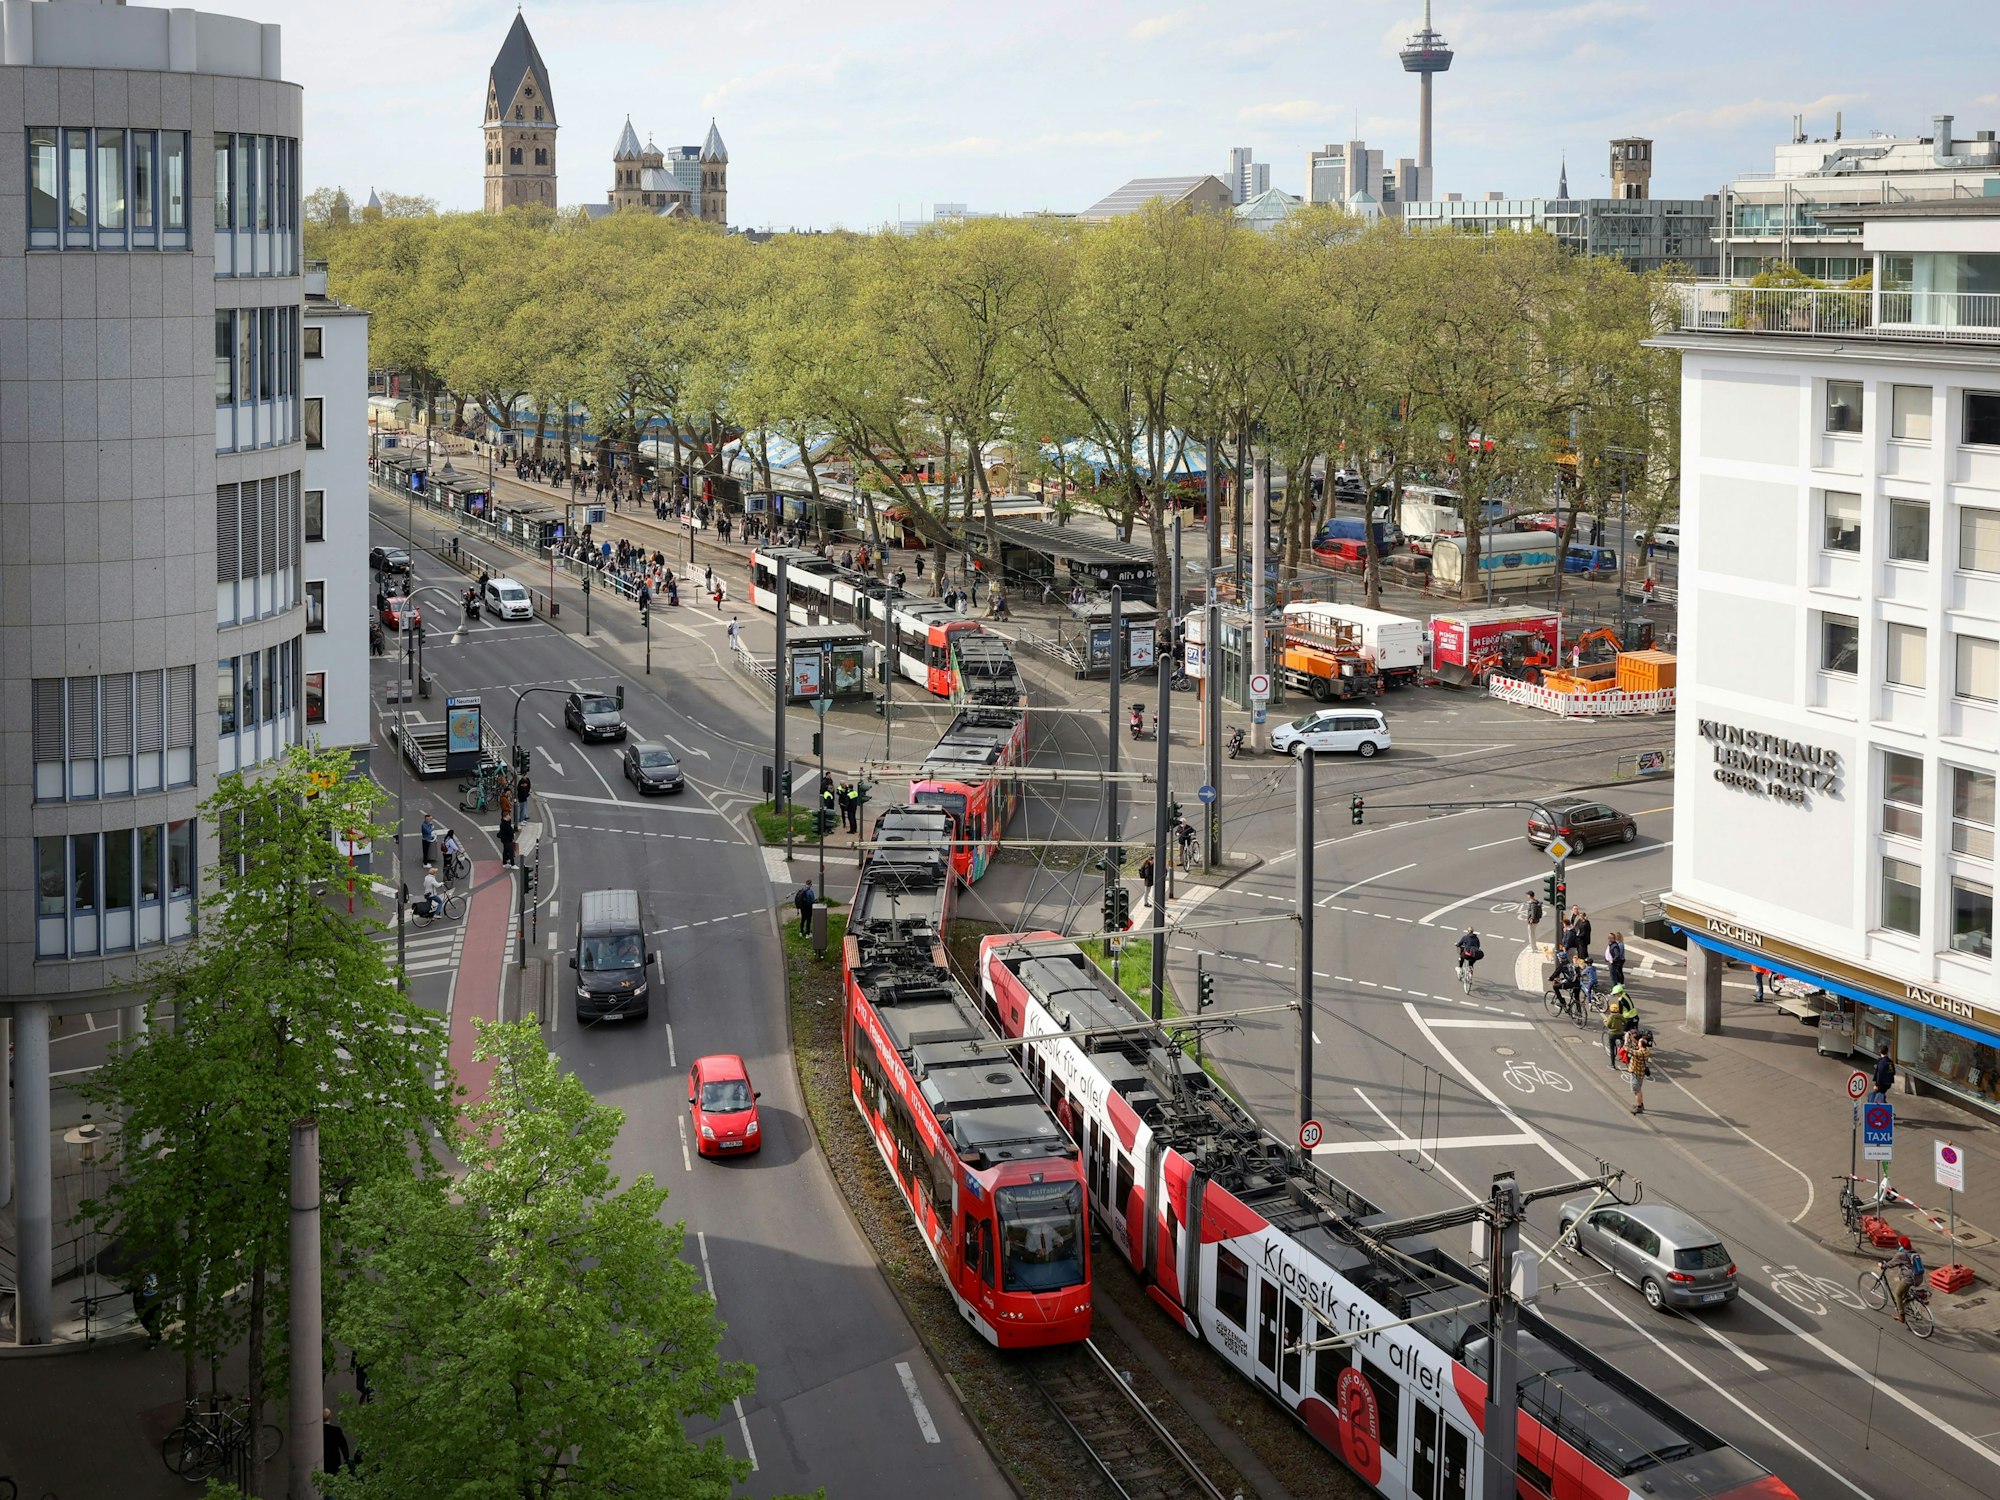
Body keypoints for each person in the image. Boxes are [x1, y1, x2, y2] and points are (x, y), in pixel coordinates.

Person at [1883, 1235, 1920, 1321]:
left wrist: (1883, 1265)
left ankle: (1901, 1315)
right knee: (1904, 1290)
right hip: (1918, 1277)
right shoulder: (1914, 1252)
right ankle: (1906, 1305)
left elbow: (1891, 1264)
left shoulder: (1901, 1254)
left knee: (1898, 1294)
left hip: (1909, 1279)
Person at [1603, 985, 1637, 1068]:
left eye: (1615, 994)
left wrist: (1606, 1022)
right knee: (1631, 1033)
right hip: (1634, 1015)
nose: (1615, 995)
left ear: (1618, 993)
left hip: (1627, 1018)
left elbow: (1620, 1013)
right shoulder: (1626, 995)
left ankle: (1613, 1063)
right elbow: (1622, 1018)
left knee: (1614, 1046)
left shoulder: (1621, 1001)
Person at [1626, 1029, 1651, 1115]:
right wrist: (1633, 1039)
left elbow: (1627, 1049)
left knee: (1636, 1091)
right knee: (1639, 1090)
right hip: (1641, 1073)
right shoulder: (1646, 1050)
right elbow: (1637, 1045)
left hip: (1636, 1073)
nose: (1638, 1042)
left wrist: (1626, 1039)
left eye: (1639, 1042)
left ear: (1641, 1045)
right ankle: (1641, 1104)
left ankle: (1639, 1107)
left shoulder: (1639, 1053)